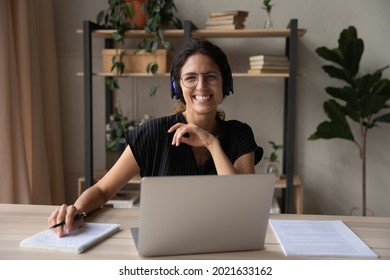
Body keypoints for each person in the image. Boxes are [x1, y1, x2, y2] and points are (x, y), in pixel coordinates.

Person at [48, 38, 263, 237]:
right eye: (190, 78)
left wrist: (211, 143)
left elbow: (243, 203)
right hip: (165, 243)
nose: (201, 86)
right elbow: (103, 190)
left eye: (211, 76)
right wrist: (76, 210)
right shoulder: (152, 134)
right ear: (176, 86)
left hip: (225, 243)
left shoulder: (239, 134)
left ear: (225, 84)